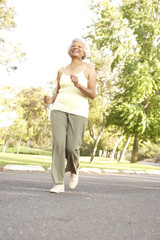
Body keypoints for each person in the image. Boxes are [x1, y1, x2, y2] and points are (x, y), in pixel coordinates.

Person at [44, 38, 96, 193]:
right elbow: (59, 91)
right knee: (58, 144)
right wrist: (51, 99)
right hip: (59, 109)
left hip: (79, 111)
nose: (76, 47)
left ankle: (74, 170)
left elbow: (92, 94)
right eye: (73, 46)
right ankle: (58, 183)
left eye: (79, 46)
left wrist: (78, 84)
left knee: (72, 147)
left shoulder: (89, 68)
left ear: (84, 52)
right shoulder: (62, 70)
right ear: (69, 50)